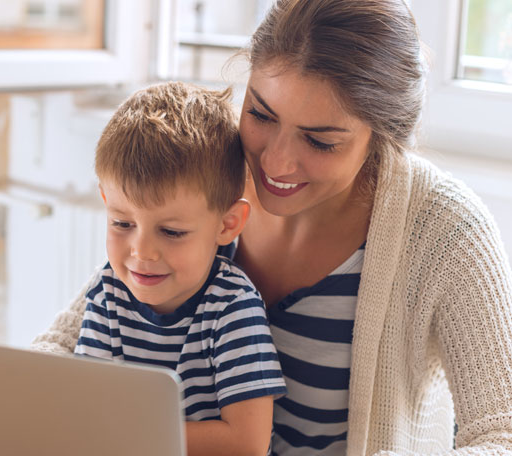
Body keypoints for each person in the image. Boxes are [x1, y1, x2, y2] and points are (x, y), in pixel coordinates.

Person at [33, 0, 512, 454]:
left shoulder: (445, 232)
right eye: (261, 114)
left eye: (320, 141)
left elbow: (503, 435)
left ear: (381, 137)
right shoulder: (207, 173)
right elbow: (66, 340)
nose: (274, 163)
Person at [75, 81, 287, 456]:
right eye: (122, 223)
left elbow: (247, 443)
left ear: (227, 225)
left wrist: (130, 436)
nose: (141, 251)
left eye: (172, 232)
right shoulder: (107, 291)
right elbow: (87, 409)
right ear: (105, 201)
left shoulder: (232, 307)